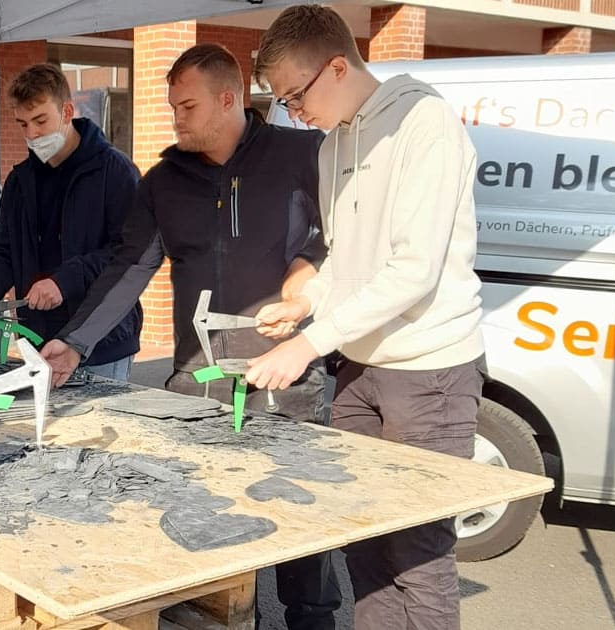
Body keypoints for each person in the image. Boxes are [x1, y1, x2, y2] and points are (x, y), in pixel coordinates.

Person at [39, 44, 341, 630]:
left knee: (304, 525)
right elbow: (129, 268)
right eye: (172, 106)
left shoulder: (305, 153)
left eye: (187, 106)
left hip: (285, 375)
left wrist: (304, 285)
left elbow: (339, 236)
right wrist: (75, 342)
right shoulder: (162, 182)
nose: (175, 118)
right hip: (195, 381)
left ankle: (314, 620)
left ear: (228, 99)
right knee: (202, 523)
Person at [249, 6, 486, 630]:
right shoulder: (332, 147)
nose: (292, 113)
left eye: (295, 96)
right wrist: (306, 303)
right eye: (281, 103)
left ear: (337, 67)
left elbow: (415, 271)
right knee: (362, 538)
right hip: (360, 365)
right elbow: (345, 262)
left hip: (430, 370)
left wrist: (308, 344)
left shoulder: (424, 122)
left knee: (418, 552)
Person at [0, 63, 141, 380]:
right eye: (22, 124)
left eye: (40, 121)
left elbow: (130, 257)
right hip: (37, 341)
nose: (32, 134)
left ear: (67, 111)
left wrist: (65, 281)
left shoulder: (116, 173)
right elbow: (3, 251)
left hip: (100, 342)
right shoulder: (20, 181)